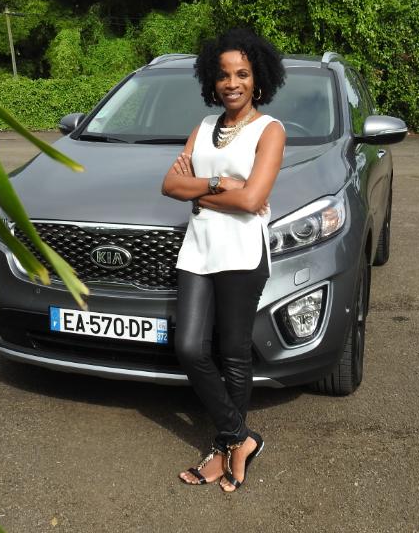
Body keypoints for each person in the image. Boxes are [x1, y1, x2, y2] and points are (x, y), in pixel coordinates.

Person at [161, 29, 286, 492]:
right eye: (223, 75)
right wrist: (218, 185)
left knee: (233, 353)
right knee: (190, 348)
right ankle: (240, 437)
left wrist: (198, 193)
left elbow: (252, 199)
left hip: (241, 252)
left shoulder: (269, 130)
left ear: (258, 79)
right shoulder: (202, 128)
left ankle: (222, 448)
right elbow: (169, 186)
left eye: (243, 74)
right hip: (198, 250)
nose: (232, 83)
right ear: (211, 81)